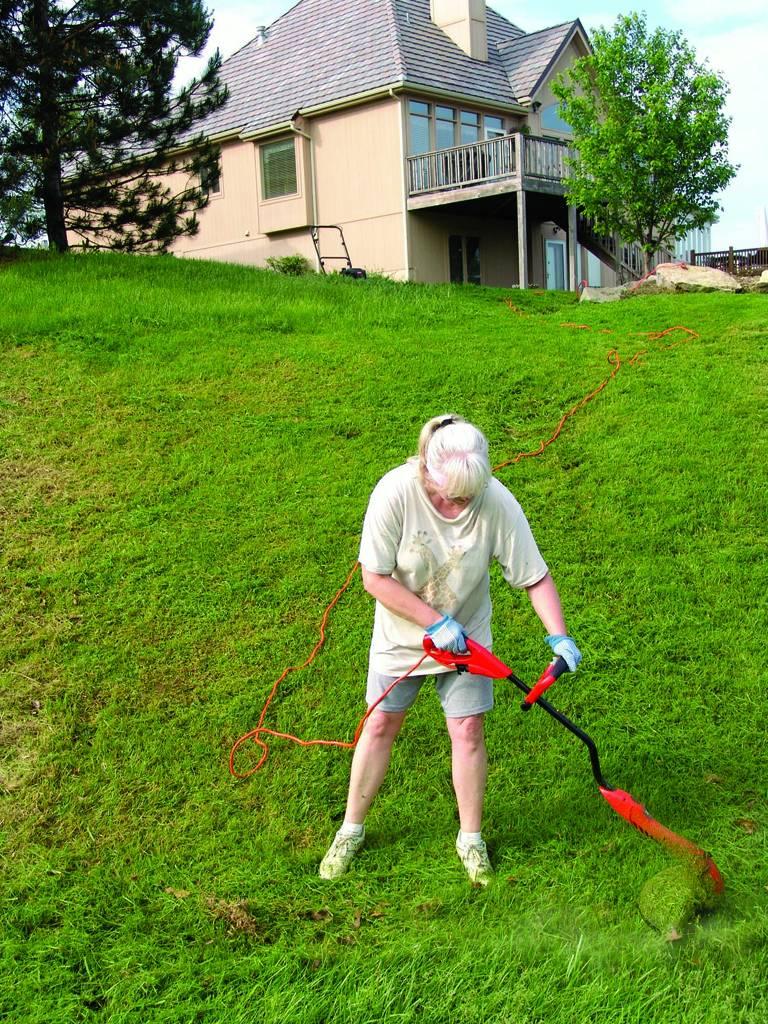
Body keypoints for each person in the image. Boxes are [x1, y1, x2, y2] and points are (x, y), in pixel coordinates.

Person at [319, 414, 581, 885]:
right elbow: (373, 577)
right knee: (379, 724)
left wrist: (559, 634)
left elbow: (534, 575)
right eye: (448, 497)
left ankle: (471, 840)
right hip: (403, 639)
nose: (458, 506)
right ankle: (351, 830)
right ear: (426, 469)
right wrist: (433, 621)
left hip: (469, 639)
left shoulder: (495, 501)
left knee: (468, 731)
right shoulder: (394, 493)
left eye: (466, 498)